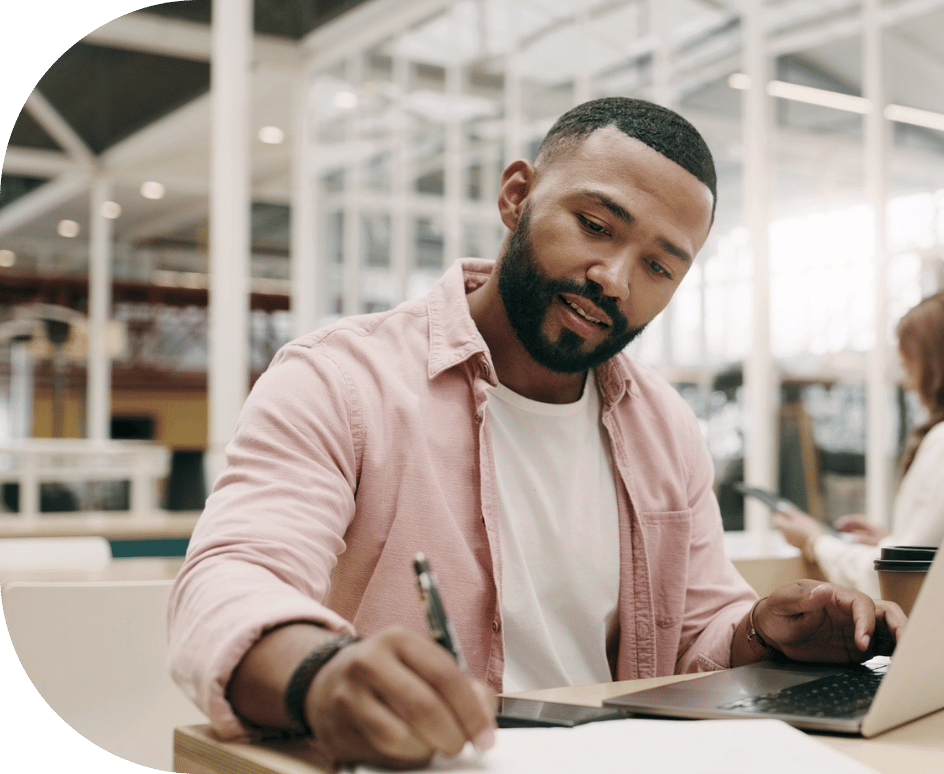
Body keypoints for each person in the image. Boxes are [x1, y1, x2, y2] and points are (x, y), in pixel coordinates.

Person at [168, 97, 903, 770]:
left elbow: (695, 632)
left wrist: (765, 633)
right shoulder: (340, 380)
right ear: (516, 196)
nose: (615, 279)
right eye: (595, 225)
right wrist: (320, 675)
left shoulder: (664, 427)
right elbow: (231, 580)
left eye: (657, 265)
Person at [775, 289, 944, 597]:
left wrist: (816, 542)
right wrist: (894, 541)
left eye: (911, 369)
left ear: (939, 367)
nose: (910, 386)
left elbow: (897, 581)